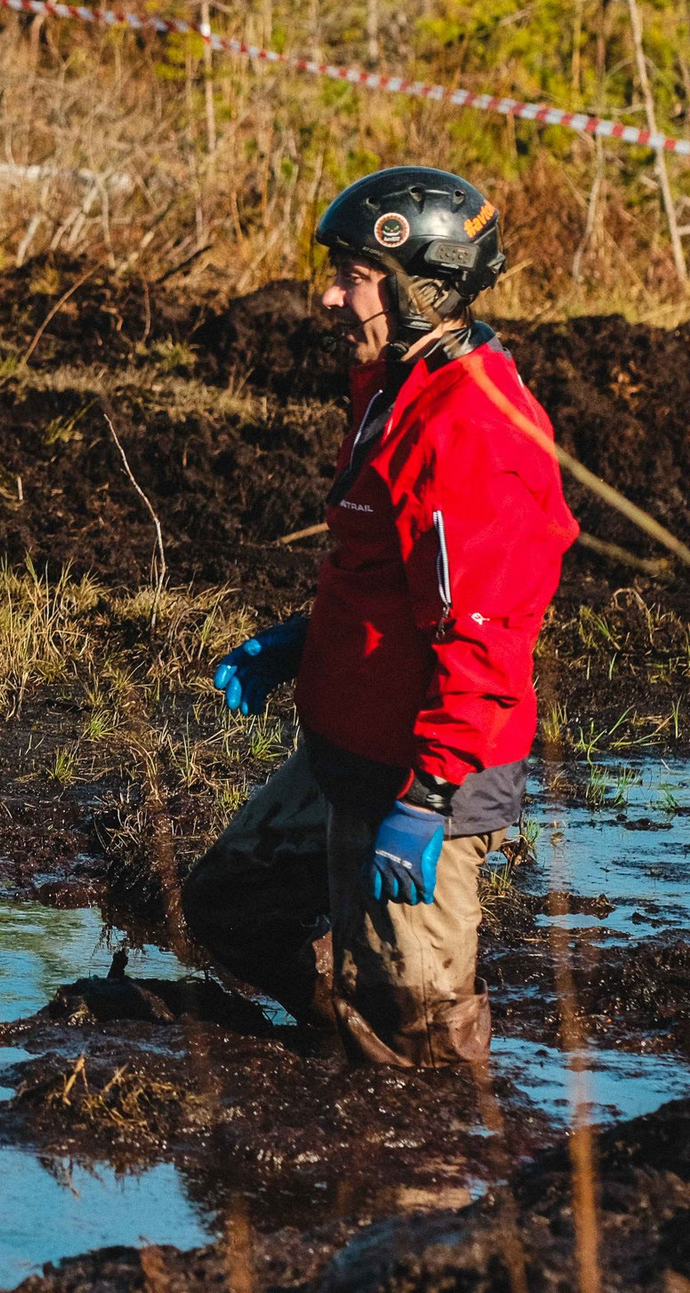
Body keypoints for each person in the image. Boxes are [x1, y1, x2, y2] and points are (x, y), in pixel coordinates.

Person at [182, 165, 578, 1067]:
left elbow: (484, 639)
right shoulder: (395, 383)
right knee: (230, 906)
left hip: (423, 771)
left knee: (422, 1041)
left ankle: (435, 1164)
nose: (328, 296)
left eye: (351, 276)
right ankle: (343, 1040)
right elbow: (383, 569)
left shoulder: (473, 431)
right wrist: (302, 641)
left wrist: (430, 797)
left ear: (419, 288)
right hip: (348, 747)